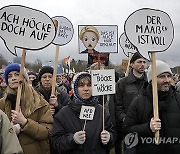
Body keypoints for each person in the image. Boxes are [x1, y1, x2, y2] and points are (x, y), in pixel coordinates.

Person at [123, 60, 180, 154]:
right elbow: (127, 130)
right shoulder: (139, 102)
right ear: (151, 80)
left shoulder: (178, 99)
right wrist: (147, 128)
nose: (167, 80)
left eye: (169, 76)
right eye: (162, 76)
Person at [51, 72, 115, 154]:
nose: (86, 89)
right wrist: (72, 139)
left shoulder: (102, 112)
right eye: (81, 85)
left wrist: (109, 138)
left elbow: (112, 136)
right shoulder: (63, 114)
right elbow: (55, 142)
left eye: (89, 85)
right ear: (75, 88)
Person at [0, 63, 53, 154]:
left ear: (25, 78)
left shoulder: (40, 102)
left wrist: (24, 122)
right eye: (9, 76)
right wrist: (10, 131)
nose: (13, 78)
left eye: (17, 74)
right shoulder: (2, 104)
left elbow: (47, 132)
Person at [114, 52, 147, 154]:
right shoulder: (122, 83)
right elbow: (118, 105)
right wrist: (124, 119)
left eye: (144, 62)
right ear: (132, 64)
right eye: (139, 62)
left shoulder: (150, 83)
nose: (142, 64)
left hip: (146, 125)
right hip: (129, 126)